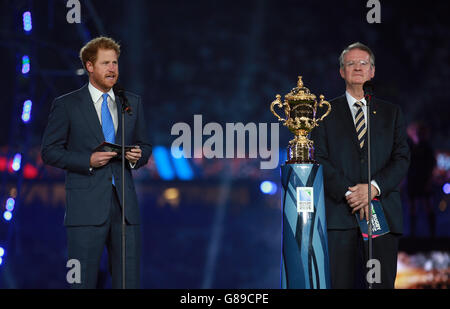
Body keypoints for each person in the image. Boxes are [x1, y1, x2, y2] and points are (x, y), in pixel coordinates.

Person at [41, 36, 152, 288]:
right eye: (105, 63)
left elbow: (145, 145)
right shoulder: (67, 105)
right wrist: (87, 160)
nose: (112, 68)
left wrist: (137, 156)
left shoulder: (131, 102)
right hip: (85, 209)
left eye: (115, 63)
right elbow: (49, 152)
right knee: (82, 283)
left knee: (128, 283)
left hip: (125, 209)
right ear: (90, 66)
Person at [311, 42, 410, 288]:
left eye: (363, 63)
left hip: (382, 217)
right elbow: (319, 158)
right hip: (338, 219)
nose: (357, 67)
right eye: (350, 63)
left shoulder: (392, 113)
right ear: (342, 72)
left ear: (372, 71)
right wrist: (350, 193)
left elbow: (401, 158)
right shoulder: (323, 113)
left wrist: (373, 188)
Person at [406, 122, 436, 237]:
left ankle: (432, 234)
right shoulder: (409, 147)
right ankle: (413, 234)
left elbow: (431, 164)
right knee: (412, 207)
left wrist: (429, 179)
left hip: (424, 179)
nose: (416, 134)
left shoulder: (426, 147)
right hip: (413, 179)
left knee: (428, 205)